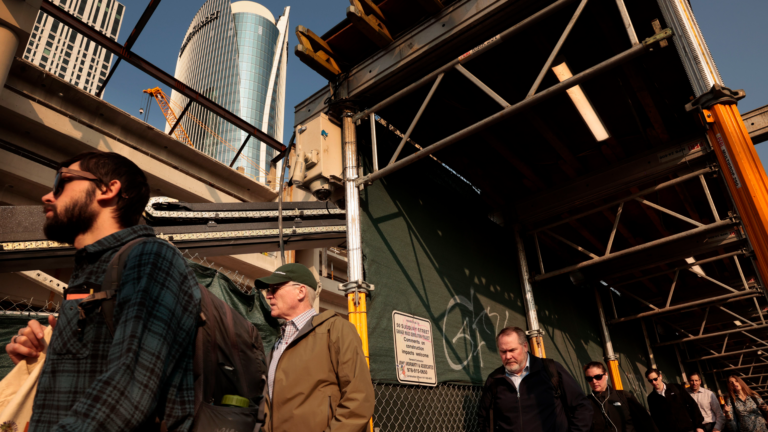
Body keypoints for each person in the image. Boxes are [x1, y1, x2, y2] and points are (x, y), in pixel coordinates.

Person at [5, 152, 200, 432]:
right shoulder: (94, 269)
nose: (48, 196)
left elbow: (131, 387)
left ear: (109, 189)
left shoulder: (150, 256)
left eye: (62, 181)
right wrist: (45, 357)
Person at [257, 263, 375, 432]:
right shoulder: (278, 344)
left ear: (301, 292)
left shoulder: (336, 329)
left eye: (274, 289)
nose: (268, 296)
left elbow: (358, 398)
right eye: (268, 290)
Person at [477, 326, 593, 432]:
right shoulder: (495, 380)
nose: (508, 356)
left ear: (525, 346)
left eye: (512, 350)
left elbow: (582, 407)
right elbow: (484, 418)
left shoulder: (550, 370)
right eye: (503, 352)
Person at [584, 362, 658, 432]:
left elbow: (646, 422)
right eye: (589, 379)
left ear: (606, 375)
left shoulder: (623, 396)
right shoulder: (586, 403)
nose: (594, 381)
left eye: (598, 377)